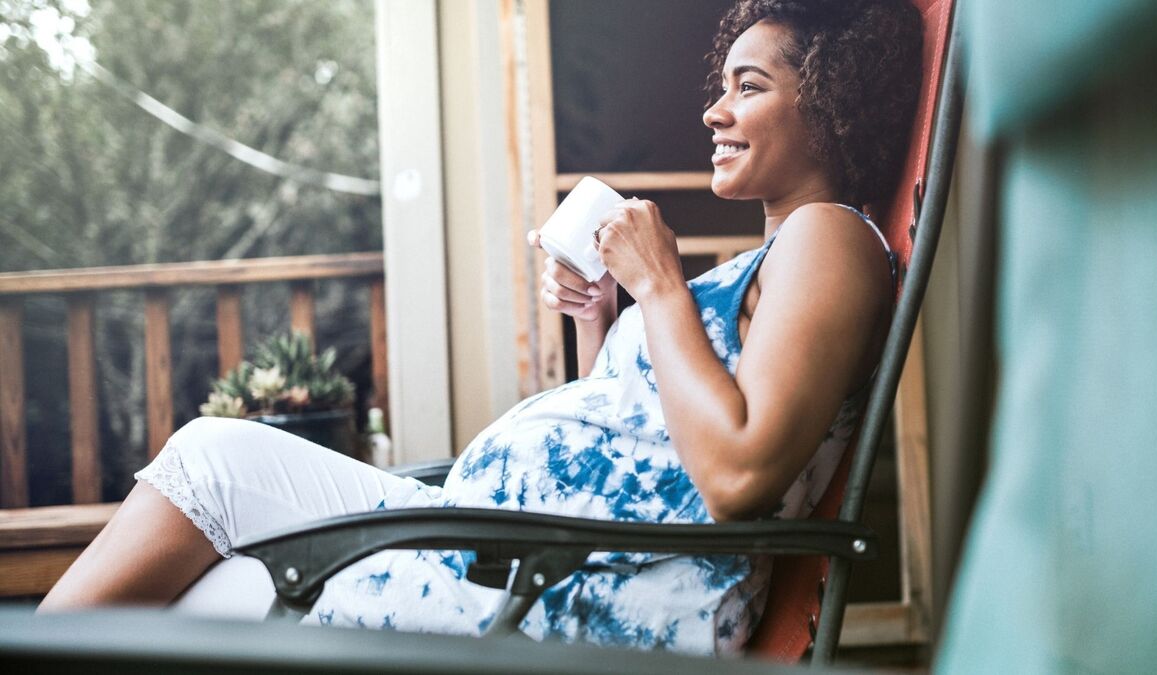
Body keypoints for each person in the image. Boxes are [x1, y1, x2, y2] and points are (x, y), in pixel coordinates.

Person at [39, 0, 922, 656]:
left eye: (750, 87)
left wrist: (660, 288)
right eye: (720, 87)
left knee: (215, 493)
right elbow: (631, 445)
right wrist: (602, 317)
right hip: (517, 549)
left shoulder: (832, 238)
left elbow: (736, 476)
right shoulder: (775, 259)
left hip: (575, 590)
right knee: (215, 521)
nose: (713, 112)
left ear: (831, 106)